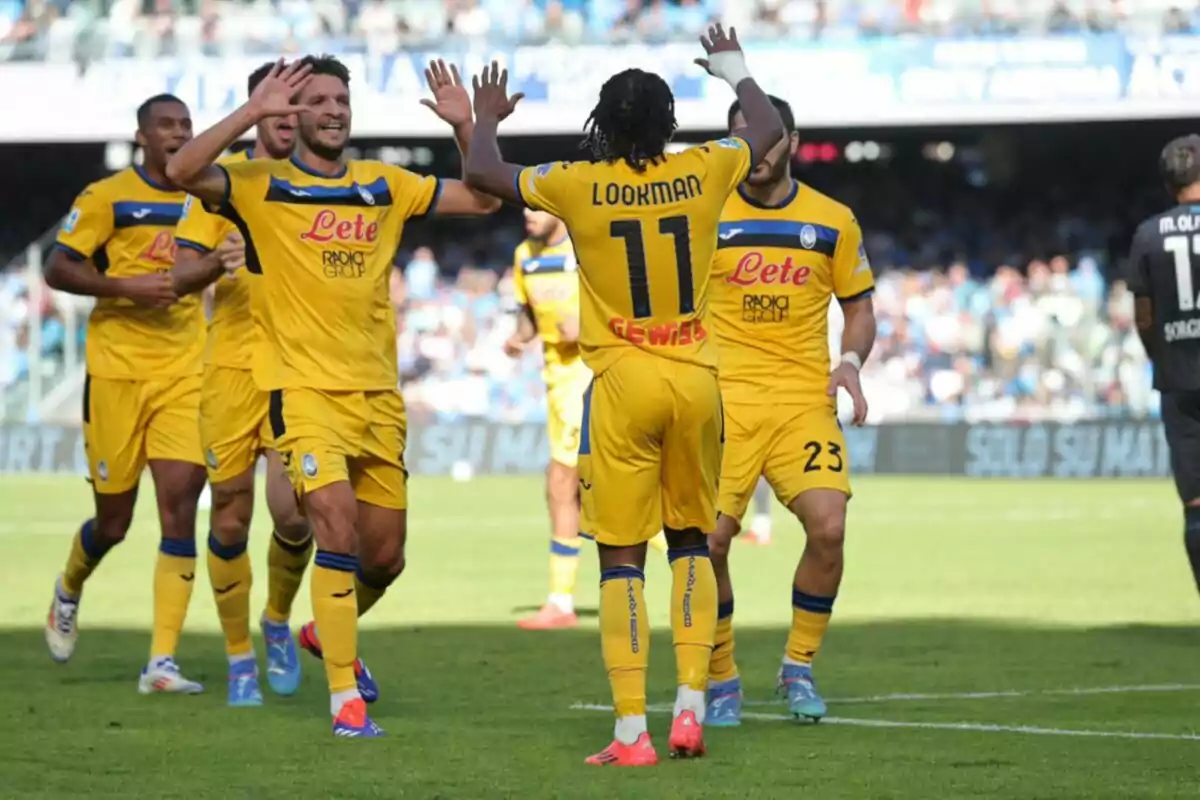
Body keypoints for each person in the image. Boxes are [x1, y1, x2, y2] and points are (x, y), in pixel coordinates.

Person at [464, 24, 785, 765]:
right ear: (669, 123)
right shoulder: (707, 168)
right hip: (699, 379)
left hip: (622, 383)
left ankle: (631, 731)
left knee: (619, 561)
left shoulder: (575, 184)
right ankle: (693, 707)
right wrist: (734, 69)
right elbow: (765, 129)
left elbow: (483, 172)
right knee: (693, 547)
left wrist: (484, 117)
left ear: (600, 126)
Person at [165, 56, 501, 736]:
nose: (333, 110)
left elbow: (486, 198)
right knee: (334, 528)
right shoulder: (261, 184)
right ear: (294, 114)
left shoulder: (385, 184)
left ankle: (324, 630)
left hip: (378, 396)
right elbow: (181, 172)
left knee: (386, 557)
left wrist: (468, 125)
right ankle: (345, 701)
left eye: (341, 99)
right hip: (304, 390)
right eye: (317, 100)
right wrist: (251, 112)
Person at [703, 95, 876, 726]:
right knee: (711, 543)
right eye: (740, 139)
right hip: (723, 403)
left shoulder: (832, 220)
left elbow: (859, 307)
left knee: (829, 527)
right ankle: (721, 678)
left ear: (792, 141)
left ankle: (797, 666)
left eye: (766, 139)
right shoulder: (704, 214)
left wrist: (850, 366)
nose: (756, 151)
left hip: (803, 400)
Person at [43, 94, 210, 695]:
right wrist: (123, 288)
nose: (179, 133)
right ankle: (70, 585)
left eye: (186, 124)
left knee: (180, 506)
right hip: (116, 371)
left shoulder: (209, 194)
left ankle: (161, 663)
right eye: (166, 125)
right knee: (113, 522)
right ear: (141, 136)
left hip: (186, 371)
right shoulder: (106, 196)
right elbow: (57, 267)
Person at [170, 61, 315, 708]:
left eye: (297, 108)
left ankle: (278, 619)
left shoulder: (326, 181)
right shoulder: (220, 184)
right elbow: (177, 278)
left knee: (294, 514)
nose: (288, 119)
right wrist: (213, 263)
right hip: (229, 372)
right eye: (276, 107)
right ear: (258, 108)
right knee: (230, 515)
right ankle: (237, 659)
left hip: (300, 370)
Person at [504, 209, 594, 630]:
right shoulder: (525, 254)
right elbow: (528, 312)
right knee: (562, 487)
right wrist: (520, 338)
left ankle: (561, 601)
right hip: (556, 381)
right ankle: (683, 551)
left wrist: (589, 325)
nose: (526, 214)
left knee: (565, 483)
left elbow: (627, 303)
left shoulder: (587, 249)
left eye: (536, 206)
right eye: (523, 206)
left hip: (588, 376)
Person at [1128, 134, 1200, 597]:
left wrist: (1165, 357)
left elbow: (1144, 316)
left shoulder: (1149, 234)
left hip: (1179, 379)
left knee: (1195, 505)